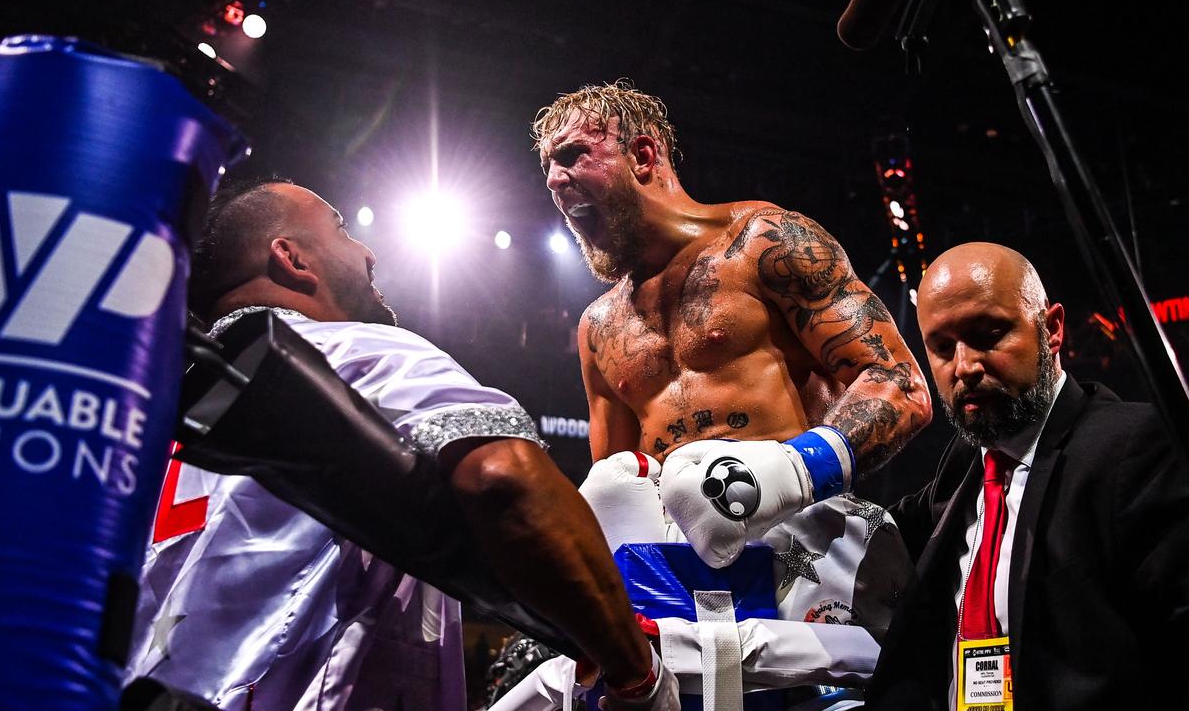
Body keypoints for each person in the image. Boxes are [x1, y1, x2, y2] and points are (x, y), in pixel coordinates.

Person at [125, 179, 678, 710]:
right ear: (291, 258)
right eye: (341, 231)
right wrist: (636, 672)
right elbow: (503, 479)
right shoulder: (358, 352)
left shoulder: (141, 421)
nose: (367, 253)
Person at [525, 81, 934, 697]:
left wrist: (788, 472)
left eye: (574, 154)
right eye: (547, 167)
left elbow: (900, 385)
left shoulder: (764, 243)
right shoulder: (598, 328)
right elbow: (617, 493)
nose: (555, 180)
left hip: (806, 559)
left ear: (642, 155)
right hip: (679, 595)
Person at [867, 242, 1189, 710]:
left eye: (987, 334)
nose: (965, 367)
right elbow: (869, 526)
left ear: (1052, 329)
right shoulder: (964, 467)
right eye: (942, 348)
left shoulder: (1134, 446)